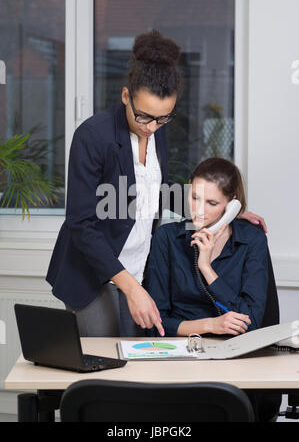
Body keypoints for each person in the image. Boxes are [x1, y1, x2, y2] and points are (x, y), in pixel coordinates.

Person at [46, 30, 267, 338]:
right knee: (102, 366)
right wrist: (130, 288)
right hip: (93, 274)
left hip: (139, 266)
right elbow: (80, 223)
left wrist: (225, 212)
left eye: (163, 118)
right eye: (144, 117)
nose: (151, 127)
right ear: (125, 96)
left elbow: (155, 194)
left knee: (138, 367)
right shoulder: (93, 136)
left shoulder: (155, 129)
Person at [144, 157, 269, 337]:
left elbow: (252, 322)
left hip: (233, 353)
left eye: (212, 203)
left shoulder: (252, 240)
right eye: (195, 197)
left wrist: (206, 269)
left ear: (232, 204)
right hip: (180, 350)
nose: (199, 210)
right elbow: (156, 325)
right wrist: (210, 325)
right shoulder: (167, 238)